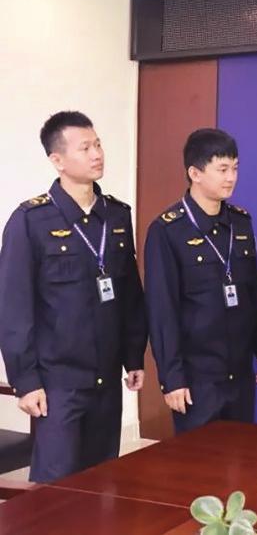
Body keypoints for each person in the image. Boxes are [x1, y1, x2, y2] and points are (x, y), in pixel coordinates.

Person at [0, 111, 147, 482]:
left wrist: (133, 356)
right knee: (57, 486)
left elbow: (129, 294)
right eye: (85, 148)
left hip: (106, 378)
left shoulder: (116, 216)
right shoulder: (30, 221)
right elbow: (14, 308)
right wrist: (26, 380)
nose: (97, 154)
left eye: (98, 144)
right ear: (58, 159)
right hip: (58, 382)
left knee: (101, 478)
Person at [144, 128, 257, 434]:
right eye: (222, 169)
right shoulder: (167, 230)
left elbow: (254, 291)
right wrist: (172, 378)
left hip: (239, 371)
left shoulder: (240, 223)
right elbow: (162, 311)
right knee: (200, 458)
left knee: (241, 452)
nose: (231, 178)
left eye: (235, 168)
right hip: (196, 377)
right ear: (195, 173)